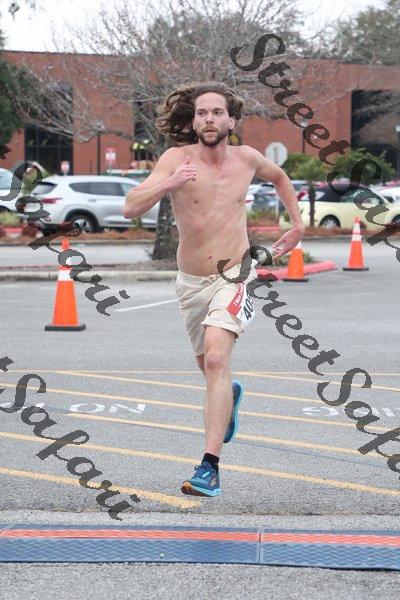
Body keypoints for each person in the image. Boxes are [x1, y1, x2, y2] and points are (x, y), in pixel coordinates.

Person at [123, 81, 304, 497]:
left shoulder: (247, 159)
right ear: (193, 122)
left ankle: (209, 467)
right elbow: (131, 206)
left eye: (217, 112)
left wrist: (296, 225)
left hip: (235, 274)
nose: (209, 119)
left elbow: (280, 177)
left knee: (218, 357)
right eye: (202, 113)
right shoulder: (175, 159)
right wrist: (169, 183)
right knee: (210, 368)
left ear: (231, 121)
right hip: (190, 282)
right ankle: (229, 398)